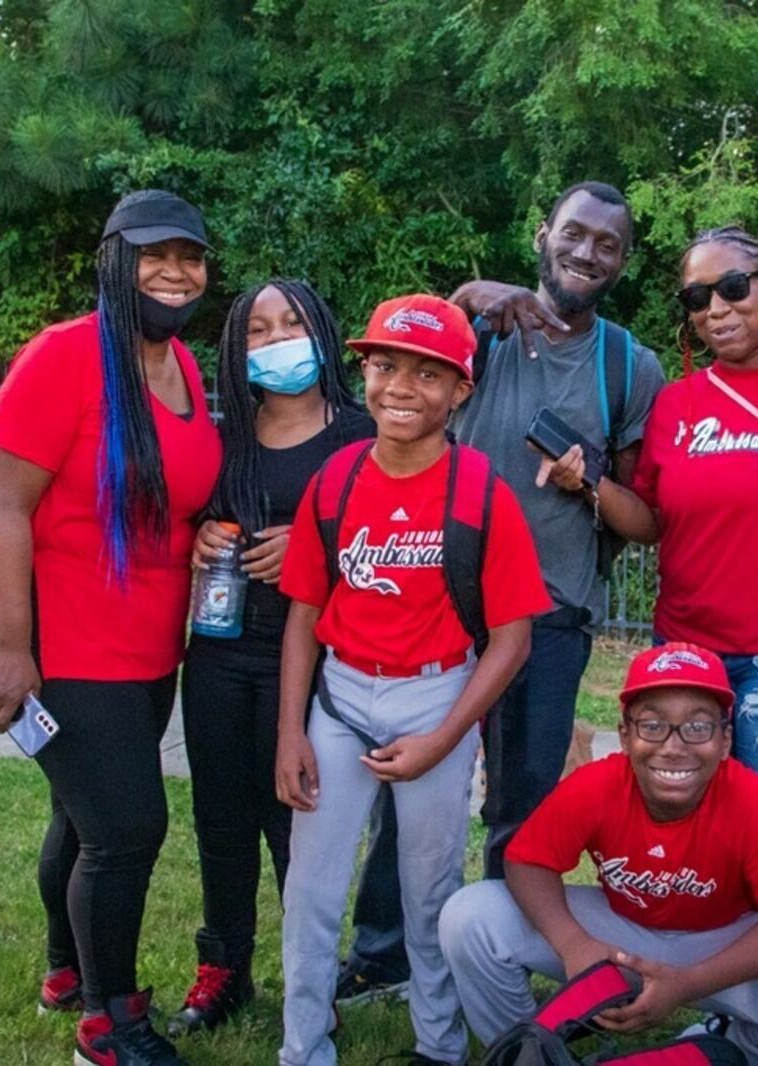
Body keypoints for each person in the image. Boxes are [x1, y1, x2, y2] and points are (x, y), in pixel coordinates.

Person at [336, 181, 666, 1003]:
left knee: (521, 804)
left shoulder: (630, 365)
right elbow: (407, 353)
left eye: (608, 245)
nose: (588, 253)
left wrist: (587, 486)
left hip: (551, 614)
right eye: (576, 234)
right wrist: (468, 295)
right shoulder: (482, 328)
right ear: (542, 232)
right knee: (406, 784)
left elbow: (640, 514)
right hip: (438, 602)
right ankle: (385, 956)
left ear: (624, 261)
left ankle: (491, 954)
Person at [547, 225, 758, 912]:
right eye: (697, 297)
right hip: (686, 652)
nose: (717, 308)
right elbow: (650, 523)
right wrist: (588, 485)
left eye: (733, 287)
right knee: (699, 843)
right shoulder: (676, 405)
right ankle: (717, 1004)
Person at [0, 190, 221, 1066]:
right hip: (54, 640)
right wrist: (11, 646)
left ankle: (64, 972)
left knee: (83, 821)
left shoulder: (182, 367)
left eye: (190, 257)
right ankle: (109, 1026)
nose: (175, 273)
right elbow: (4, 507)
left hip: (147, 646)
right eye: (155, 255)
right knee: (126, 830)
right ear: (114, 261)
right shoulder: (64, 357)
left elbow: (176, 505)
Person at [273, 293, 552, 1066]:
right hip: (340, 696)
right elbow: (302, 614)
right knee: (313, 892)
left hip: (437, 692)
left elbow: (512, 639)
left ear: (462, 391)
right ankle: (304, 1048)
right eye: (385, 364)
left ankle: (438, 1043)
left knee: (430, 894)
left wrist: (445, 737)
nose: (401, 386)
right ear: (363, 370)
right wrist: (292, 730)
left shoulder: (480, 491)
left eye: (429, 374)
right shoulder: (334, 481)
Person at [439, 642, 758, 1065]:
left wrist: (687, 984)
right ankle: (529, 1051)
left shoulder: (752, 802)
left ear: (725, 739)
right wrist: (574, 945)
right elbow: (527, 861)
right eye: (653, 725)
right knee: (471, 915)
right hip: (621, 937)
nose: (674, 746)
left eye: (697, 727)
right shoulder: (598, 786)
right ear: (624, 735)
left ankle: (725, 1046)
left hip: (724, 943)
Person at [165, 280, 375, 1037]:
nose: (277, 338)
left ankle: (309, 982)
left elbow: (396, 543)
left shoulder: (362, 434)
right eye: (258, 328)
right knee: (220, 821)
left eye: (291, 322)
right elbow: (182, 521)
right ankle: (223, 970)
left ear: (321, 331)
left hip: (315, 667)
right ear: (236, 348)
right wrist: (200, 542)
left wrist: (318, 549)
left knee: (299, 828)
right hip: (219, 657)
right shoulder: (223, 439)